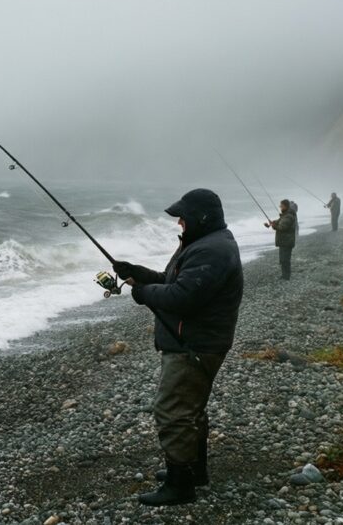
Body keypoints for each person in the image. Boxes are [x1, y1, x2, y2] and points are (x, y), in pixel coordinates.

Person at [112, 188, 243, 507]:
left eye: (183, 216)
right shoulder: (207, 244)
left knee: (172, 411)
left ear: (202, 217)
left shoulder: (211, 251)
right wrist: (140, 274)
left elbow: (183, 297)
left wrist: (144, 292)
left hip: (194, 344)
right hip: (196, 340)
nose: (180, 221)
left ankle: (180, 484)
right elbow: (177, 281)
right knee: (191, 408)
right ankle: (194, 470)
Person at [269, 199, 297, 280]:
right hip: (284, 241)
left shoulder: (288, 216)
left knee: (285, 259)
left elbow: (282, 227)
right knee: (283, 259)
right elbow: (278, 221)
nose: (280, 207)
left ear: (285, 206)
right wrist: (271, 223)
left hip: (287, 241)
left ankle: (286, 276)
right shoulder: (285, 215)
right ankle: (284, 275)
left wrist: (274, 226)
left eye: (281, 206)